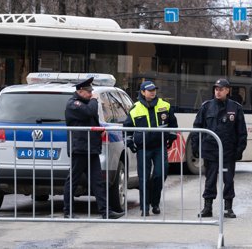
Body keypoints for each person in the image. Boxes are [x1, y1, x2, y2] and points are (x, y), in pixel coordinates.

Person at [63, 77, 124, 219]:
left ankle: (105, 212)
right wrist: (94, 100)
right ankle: (68, 212)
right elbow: (88, 112)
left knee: (98, 182)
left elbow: (90, 121)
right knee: (72, 180)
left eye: (91, 92)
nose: (91, 94)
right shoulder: (74, 104)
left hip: (91, 148)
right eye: (88, 91)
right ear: (80, 91)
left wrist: (99, 129)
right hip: (80, 149)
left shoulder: (85, 103)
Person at [191, 78, 247, 218]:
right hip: (210, 151)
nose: (218, 91)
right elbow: (197, 128)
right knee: (210, 180)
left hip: (228, 152)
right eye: (216, 89)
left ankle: (228, 208)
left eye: (221, 89)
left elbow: (241, 131)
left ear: (227, 90)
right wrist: (195, 147)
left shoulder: (235, 108)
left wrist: (239, 150)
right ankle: (207, 207)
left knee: (228, 180)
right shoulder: (206, 106)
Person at [124, 80, 178, 216]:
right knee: (144, 178)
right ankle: (145, 207)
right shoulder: (135, 108)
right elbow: (127, 129)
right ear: (142, 92)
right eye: (149, 90)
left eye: (154, 90)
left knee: (160, 175)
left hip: (160, 147)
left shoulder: (165, 105)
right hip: (143, 148)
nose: (153, 92)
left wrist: (171, 138)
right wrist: (131, 143)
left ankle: (155, 202)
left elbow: (173, 124)